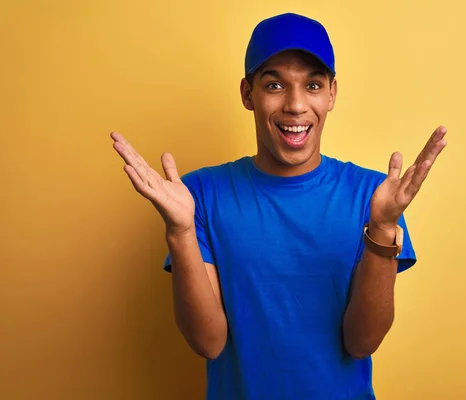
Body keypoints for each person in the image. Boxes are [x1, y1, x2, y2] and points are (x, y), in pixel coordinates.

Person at [111, 12, 447, 400]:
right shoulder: (198, 194)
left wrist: (384, 230)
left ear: (332, 94)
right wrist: (180, 231)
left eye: (313, 85)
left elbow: (362, 342)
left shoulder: (372, 197)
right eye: (274, 85)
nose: (296, 105)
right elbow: (209, 342)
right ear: (247, 93)